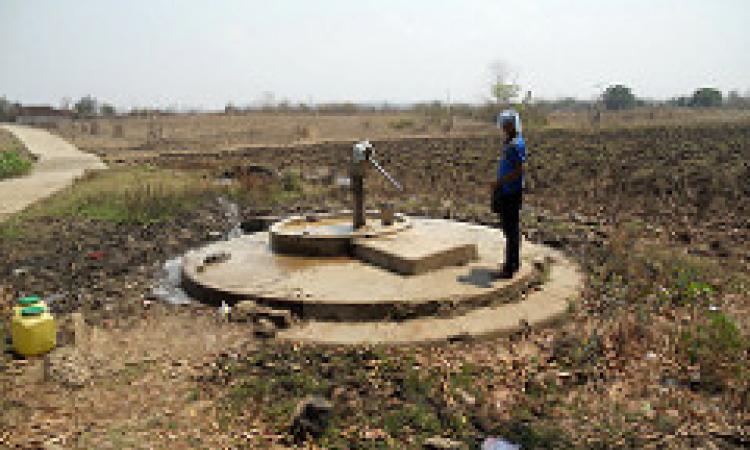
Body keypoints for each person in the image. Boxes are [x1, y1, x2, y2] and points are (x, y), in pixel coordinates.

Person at [491, 109, 525, 278]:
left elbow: (519, 170)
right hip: (508, 190)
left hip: (510, 192)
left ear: (512, 125)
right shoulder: (512, 142)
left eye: (505, 124)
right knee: (510, 228)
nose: (503, 127)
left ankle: (509, 268)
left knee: (510, 229)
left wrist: (500, 182)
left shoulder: (515, 145)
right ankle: (514, 262)